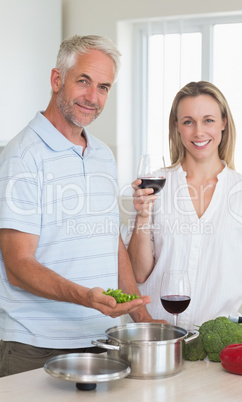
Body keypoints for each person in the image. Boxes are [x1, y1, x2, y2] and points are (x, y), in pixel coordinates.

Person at [0, 35, 158, 377]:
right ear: (57, 80)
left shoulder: (103, 154)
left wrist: (143, 320)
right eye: (83, 81)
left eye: (103, 87)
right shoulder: (21, 156)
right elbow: (18, 264)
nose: (93, 97)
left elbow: (108, 239)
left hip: (100, 341)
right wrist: (85, 296)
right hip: (35, 346)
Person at [126, 81, 242, 330]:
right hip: (159, 337)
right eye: (189, 121)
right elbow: (138, 274)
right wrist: (142, 217)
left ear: (223, 123)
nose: (199, 132)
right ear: (177, 127)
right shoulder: (154, 186)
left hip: (217, 345)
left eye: (208, 120)